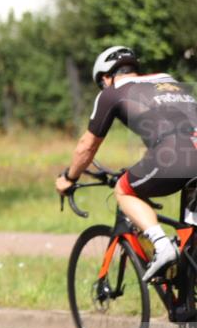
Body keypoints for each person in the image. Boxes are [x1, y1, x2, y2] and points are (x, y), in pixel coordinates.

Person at [55, 46, 197, 282]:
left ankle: (162, 246)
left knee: (124, 189)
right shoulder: (168, 82)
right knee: (190, 237)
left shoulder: (113, 91)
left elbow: (87, 147)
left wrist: (69, 178)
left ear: (105, 77)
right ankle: (187, 305)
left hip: (176, 155)